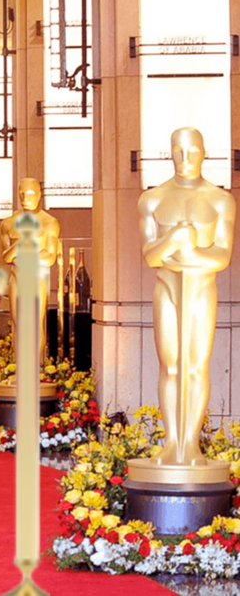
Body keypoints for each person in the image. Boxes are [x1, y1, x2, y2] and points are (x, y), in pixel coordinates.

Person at [138, 127, 235, 467]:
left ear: (204, 152)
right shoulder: (152, 199)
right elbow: (150, 256)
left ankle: (190, 443)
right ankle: (172, 442)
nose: (185, 158)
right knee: (170, 365)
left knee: (195, 366)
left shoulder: (220, 200)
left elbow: (222, 256)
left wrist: (188, 253)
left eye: (192, 150)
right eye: (178, 150)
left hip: (201, 289)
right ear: (170, 153)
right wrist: (174, 238)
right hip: (167, 288)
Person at [0, 178, 61, 365]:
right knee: (18, 324)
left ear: (39, 194)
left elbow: (50, 257)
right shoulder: (8, 223)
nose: (25, 198)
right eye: (21, 194)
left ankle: (34, 368)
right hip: (16, 277)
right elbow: (6, 257)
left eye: (30, 193)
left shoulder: (49, 222)